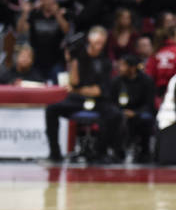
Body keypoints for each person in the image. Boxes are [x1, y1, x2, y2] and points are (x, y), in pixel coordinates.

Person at [45, 26, 119, 162]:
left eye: (102, 43)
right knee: (51, 109)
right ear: (89, 40)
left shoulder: (105, 62)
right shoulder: (78, 57)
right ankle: (55, 153)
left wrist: (78, 90)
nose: (99, 46)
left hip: (98, 101)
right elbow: (74, 82)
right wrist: (71, 61)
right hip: (78, 100)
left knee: (115, 114)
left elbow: (98, 91)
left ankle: (101, 152)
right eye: (97, 42)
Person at [111, 53, 157, 162]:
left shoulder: (147, 81)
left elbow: (150, 104)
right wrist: (120, 111)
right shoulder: (116, 81)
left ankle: (144, 152)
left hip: (140, 112)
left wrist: (135, 113)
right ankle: (117, 152)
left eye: (123, 65)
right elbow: (111, 102)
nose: (119, 68)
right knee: (113, 117)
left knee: (145, 120)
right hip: (120, 112)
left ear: (132, 68)